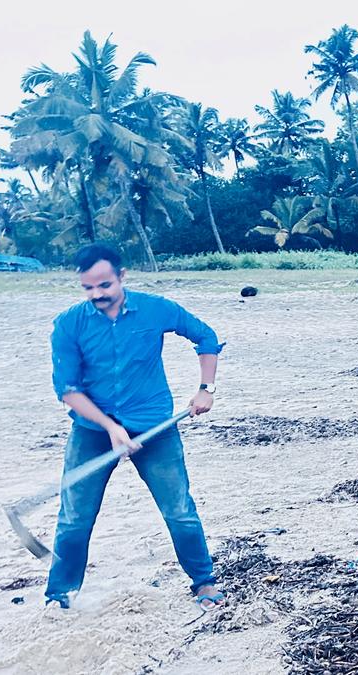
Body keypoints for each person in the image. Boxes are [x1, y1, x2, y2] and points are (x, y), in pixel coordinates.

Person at [45, 244, 224, 610]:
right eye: (89, 288)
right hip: (93, 432)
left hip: (154, 428)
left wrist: (206, 389)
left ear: (122, 277)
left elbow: (206, 337)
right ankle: (59, 596)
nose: (97, 295)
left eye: (105, 285)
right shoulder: (69, 324)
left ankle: (203, 583)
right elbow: (67, 390)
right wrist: (109, 427)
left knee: (179, 511)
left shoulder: (156, 308)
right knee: (74, 519)